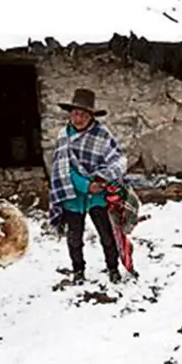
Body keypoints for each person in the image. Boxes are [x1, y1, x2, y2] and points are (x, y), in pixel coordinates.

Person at [48, 89, 128, 284]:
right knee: (74, 238)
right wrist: (85, 185)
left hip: (97, 197)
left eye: (84, 114)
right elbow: (62, 169)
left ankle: (113, 268)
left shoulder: (102, 135)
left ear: (91, 116)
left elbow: (118, 160)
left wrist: (101, 180)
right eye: (75, 113)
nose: (78, 118)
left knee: (106, 236)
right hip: (73, 196)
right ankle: (78, 270)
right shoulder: (63, 136)